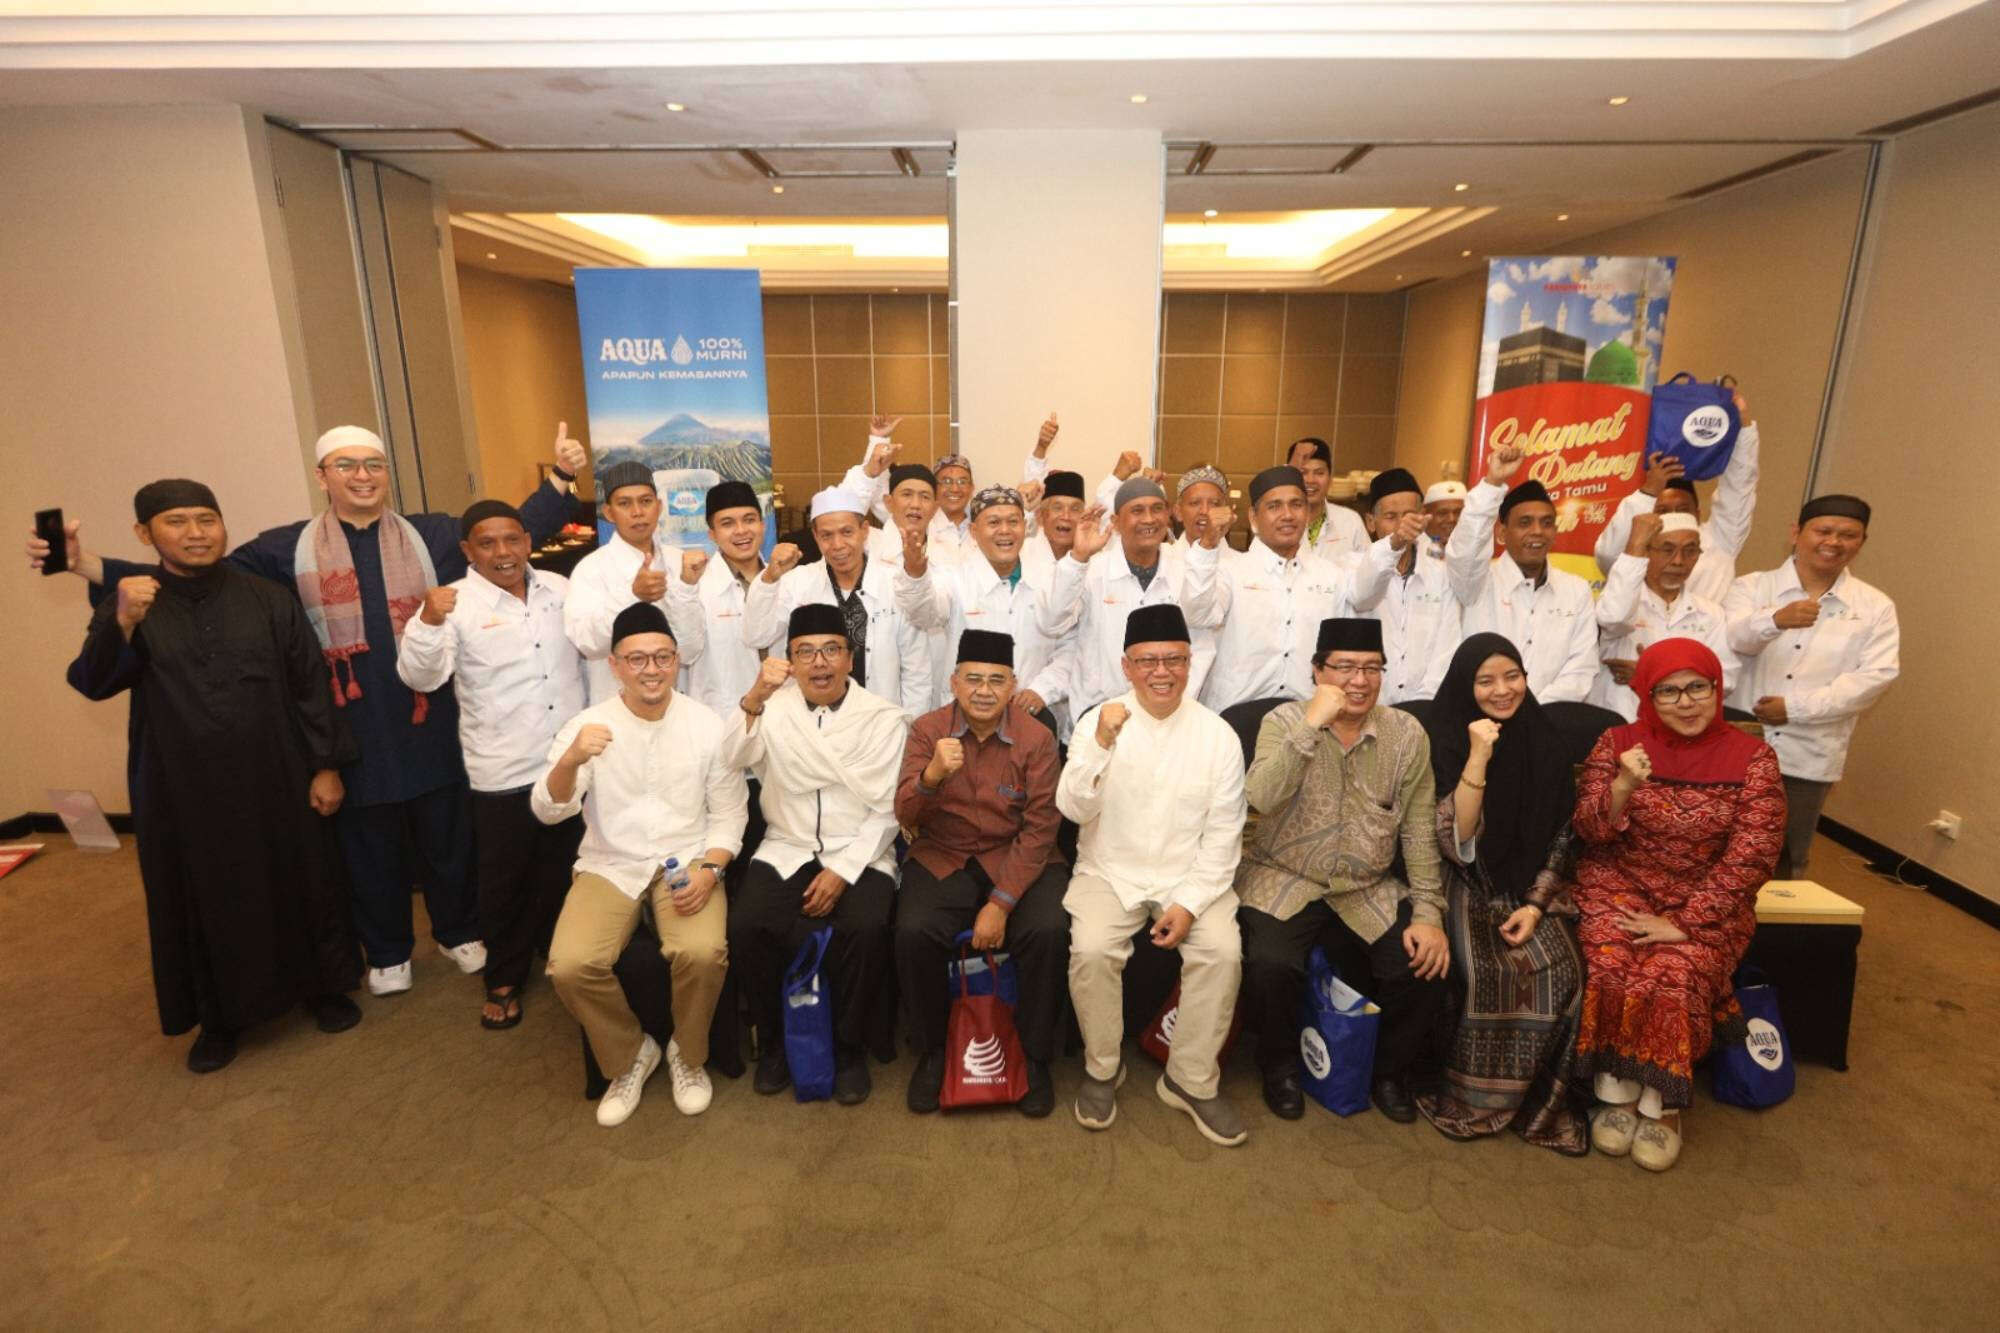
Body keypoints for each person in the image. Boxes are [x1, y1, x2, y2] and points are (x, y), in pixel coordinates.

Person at [51, 423, 585, 998]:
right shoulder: (286, 548)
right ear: (322, 476)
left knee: (447, 836)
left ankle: (458, 931)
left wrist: (560, 478)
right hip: (347, 722)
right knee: (366, 844)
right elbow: (194, 568)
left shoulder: (430, 533)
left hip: (428, 716)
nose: (363, 476)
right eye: (347, 465)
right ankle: (385, 950)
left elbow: (506, 533)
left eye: (374, 464)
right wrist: (89, 567)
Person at [66, 480, 361, 1073]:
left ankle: (321, 988)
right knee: (199, 897)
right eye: (177, 522)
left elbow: (309, 683)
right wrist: (120, 621)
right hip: (181, 786)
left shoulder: (266, 597)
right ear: (145, 535)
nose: (196, 533)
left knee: (302, 880)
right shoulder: (132, 602)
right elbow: (92, 681)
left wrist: (326, 765)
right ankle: (218, 1018)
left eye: (207, 519)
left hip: (276, 773)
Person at [1572, 638, 1785, 1172]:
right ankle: (1616, 1094)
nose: (1685, 702)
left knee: (1673, 971)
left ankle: (1662, 1107)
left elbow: (1755, 852)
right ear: (1647, 694)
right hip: (1620, 881)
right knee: (1611, 960)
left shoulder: (1752, 757)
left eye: (1698, 687)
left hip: (1707, 897)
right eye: (1668, 691)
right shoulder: (1618, 742)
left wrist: (1685, 923)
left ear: (1717, 689)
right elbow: (1590, 832)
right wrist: (1623, 783)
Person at [533, 603, 748, 1127]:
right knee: (570, 962)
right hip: (611, 861)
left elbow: (729, 814)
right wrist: (570, 760)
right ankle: (630, 1055)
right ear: (614, 666)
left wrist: (711, 870)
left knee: (701, 949)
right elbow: (548, 808)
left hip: (688, 855)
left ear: (677, 661)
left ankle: (688, 1056)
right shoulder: (588, 726)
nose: (651, 670)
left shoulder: (705, 724)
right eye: (637, 660)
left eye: (662, 658)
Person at [1236, 618, 1446, 1123]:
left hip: (1366, 886)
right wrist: (1311, 726)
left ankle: (1389, 1073)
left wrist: (1428, 911)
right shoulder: (1284, 722)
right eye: (1345, 667)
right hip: (1283, 876)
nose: (1359, 680)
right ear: (1317, 671)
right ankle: (1280, 1068)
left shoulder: (1406, 734)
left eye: (1371, 668)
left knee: (1420, 963)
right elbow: (1259, 796)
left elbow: (1418, 828)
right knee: (1270, 964)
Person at [1058, 604, 1248, 1146]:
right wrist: (1100, 744)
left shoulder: (1218, 736)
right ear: (1126, 666)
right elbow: (1072, 810)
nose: (1161, 672)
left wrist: (1188, 904)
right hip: (1108, 870)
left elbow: (1223, 837)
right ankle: (1102, 1068)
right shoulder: (1100, 720)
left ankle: (1190, 1079)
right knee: (1092, 949)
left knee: (1222, 951)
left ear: (1190, 665)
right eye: (1147, 661)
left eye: (1173, 660)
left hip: (1190, 876)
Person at [396, 500, 589, 1028]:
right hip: (503, 768)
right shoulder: (451, 604)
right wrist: (430, 620)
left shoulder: (561, 589)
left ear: (528, 541)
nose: (503, 553)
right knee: (505, 882)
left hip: (569, 761)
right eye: (487, 543)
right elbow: (420, 677)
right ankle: (503, 975)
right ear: (467, 551)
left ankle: (561, 954)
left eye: (512, 540)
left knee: (567, 868)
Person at [723, 605, 909, 1105]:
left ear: (851, 658)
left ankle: (849, 1049)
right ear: (789, 661)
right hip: (788, 844)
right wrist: (756, 697)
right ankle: (778, 1042)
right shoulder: (773, 708)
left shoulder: (882, 718)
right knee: (746, 925)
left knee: (865, 928)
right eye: (805, 652)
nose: (819, 663)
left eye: (831, 650)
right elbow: (731, 759)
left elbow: (890, 809)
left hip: (861, 850)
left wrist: (844, 873)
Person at [1413, 634, 1587, 1154]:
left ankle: (1539, 1105)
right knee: (1486, 968)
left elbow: (1564, 834)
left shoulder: (1546, 739)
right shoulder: (1441, 737)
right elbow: (1453, 838)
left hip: (1531, 888)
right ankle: (1471, 1100)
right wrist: (1478, 757)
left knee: (1562, 965)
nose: (1502, 689)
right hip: (1462, 881)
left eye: (1512, 676)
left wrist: (1535, 905)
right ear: (1466, 685)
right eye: (1486, 680)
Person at [894, 630, 1069, 1117]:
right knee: (913, 931)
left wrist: (1001, 902)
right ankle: (931, 1053)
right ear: (954, 682)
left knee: (1050, 929)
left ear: (1013, 686)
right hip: (944, 854)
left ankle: (1035, 1056)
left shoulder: (1035, 738)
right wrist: (930, 777)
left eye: (997, 680)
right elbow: (905, 815)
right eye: (973, 679)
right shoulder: (929, 731)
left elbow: (1040, 829)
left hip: (1017, 855)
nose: (985, 691)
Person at [1724, 495, 1898, 877]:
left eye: (1848, 535)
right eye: (1823, 530)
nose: (1833, 542)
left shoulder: (1875, 606)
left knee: (1786, 857)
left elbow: (1875, 677)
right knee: (1716, 843)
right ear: (1796, 533)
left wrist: (1796, 707)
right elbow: (1730, 639)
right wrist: (1774, 620)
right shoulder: (1752, 587)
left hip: (1808, 754)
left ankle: (1778, 936)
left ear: (1862, 542)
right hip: (1736, 743)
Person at [1183, 465, 1383, 714]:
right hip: (1236, 715)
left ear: (1307, 513)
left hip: (1308, 718)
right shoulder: (1230, 570)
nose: (1287, 515)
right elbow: (1197, 615)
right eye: (1274, 506)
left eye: (1296, 505)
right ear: (1253, 517)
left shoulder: (1331, 576)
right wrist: (1208, 545)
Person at [741, 486, 933, 720]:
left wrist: (910, 732)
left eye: (847, 532)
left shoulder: (895, 583)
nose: (838, 545)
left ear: (864, 531)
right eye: (827, 536)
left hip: (881, 722)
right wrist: (770, 578)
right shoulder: (797, 582)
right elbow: (757, 636)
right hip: (812, 722)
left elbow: (916, 672)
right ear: (815, 537)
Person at [895, 484, 1074, 723]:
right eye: (993, 523)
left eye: (1013, 522)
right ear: (973, 531)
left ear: (1025, 526)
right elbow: (925, 614)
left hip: (1029, 716)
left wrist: (1041, 690)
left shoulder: (1050, 578)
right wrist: (915, 574)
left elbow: (1069, 646)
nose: (1005, 531)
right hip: (965, 717)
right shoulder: (954, 578)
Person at [1039, 476, 1214, 716]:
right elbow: (1053, 623)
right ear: (1116, 522)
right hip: (1098, 712)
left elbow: (1202, 644)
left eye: (1157, 509)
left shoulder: (1186, 569)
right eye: (1137, 511)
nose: (1149, 519)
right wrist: (1078, 557)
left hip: (1168, 715)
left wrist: (1174, 702)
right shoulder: (1090, 569)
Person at [1444, 443, 1599, 703]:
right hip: (1479, 717)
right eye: (1525, 523)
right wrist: (1493, 483)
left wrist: (1530, 710)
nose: (1538, 531)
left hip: (1548, 720)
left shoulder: (1576, 590)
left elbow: (1581, 668)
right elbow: (1466, 548)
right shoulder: (1477, 581)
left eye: (1547, 523)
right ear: (1502, 533)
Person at [1593, 396, 1759, 604]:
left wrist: (1742, 427)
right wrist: (1648, 492)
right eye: (1662, 511)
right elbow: (1607, 555)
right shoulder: (1635, 549)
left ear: (1698, 513)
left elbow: (1739, 487)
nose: (1673, 519)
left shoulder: (1719, 541)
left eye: (1682, 510)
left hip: (1703, 634)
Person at [562, 461, 692, 705]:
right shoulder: (591, 569)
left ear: (659, 506)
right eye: (624, 504)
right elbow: (586, 642)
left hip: (677, 704)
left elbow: (691, 645)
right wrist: (632, 596)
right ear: (609, 513)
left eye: (645, 501)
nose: (637, 512)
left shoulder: (678, 561)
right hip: (617, 708)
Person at [1593, 512, 1736, 721]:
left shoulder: (1711, 614)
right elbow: (1613, 618)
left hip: (1683, 732)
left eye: (1690, 551)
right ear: (1647, 552)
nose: (1678, 561)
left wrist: (1652, 677)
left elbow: (1726, 680)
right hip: (1620, 724)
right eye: (1668, 550)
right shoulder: (1621, 601)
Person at [1348, 467, 1460, 705]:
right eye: (1391, 517)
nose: (1402, 525)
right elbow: (1362, 596)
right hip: (1368, 708)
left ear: (1422, 516)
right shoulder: (1350, 568)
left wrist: (1424, 704)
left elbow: (1447, 648)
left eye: (1410, 515)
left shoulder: (1441, 574)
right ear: (1371, 521)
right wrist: (1394, 543)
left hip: (1426, 708)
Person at [663, 480, 767, 718]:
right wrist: (686, 588)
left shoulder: (785, 580)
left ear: (762, 525)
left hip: (780, 717)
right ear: (712, 534)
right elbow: (685, 653)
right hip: (722, 718)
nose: (741, 531)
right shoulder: (694, 587)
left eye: (749, 519)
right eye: (727, 523)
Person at [1286, 437, 1370, 561]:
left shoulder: (1351, 522)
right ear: (1290, 478)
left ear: (1330, 479)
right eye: (1303, 472)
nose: (1310, 480)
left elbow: (1368, 572)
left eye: (1319, 473)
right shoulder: (1278, 522)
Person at [1020, 468, 1089, 579]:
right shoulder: (1020, 553)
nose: (1066, 517)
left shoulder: (1092, 560)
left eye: (1075, 509)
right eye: (1057, 508)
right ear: (1040, 516)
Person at [1422, 480, 1467, 552]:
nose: (1451, 519)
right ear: (1425, 514)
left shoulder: (1474, 552)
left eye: (1458, 513)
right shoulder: (1410, 552)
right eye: (1442, 513)